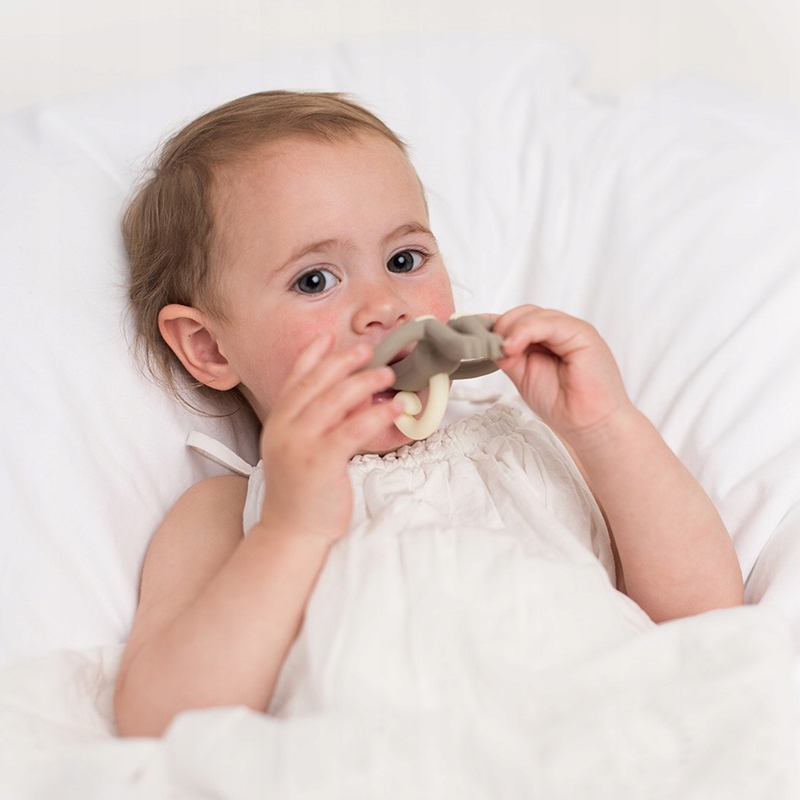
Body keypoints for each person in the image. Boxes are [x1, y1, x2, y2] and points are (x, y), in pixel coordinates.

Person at [113, 91, 744, 738]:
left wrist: (606, 427)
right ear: (210, 347)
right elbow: (160, 719)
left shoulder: (524, 443)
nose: (385, 305)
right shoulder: (232, 510)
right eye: (315, 280)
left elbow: (710, 619)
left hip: (603, 734)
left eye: (404, 261)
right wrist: (292, 530)